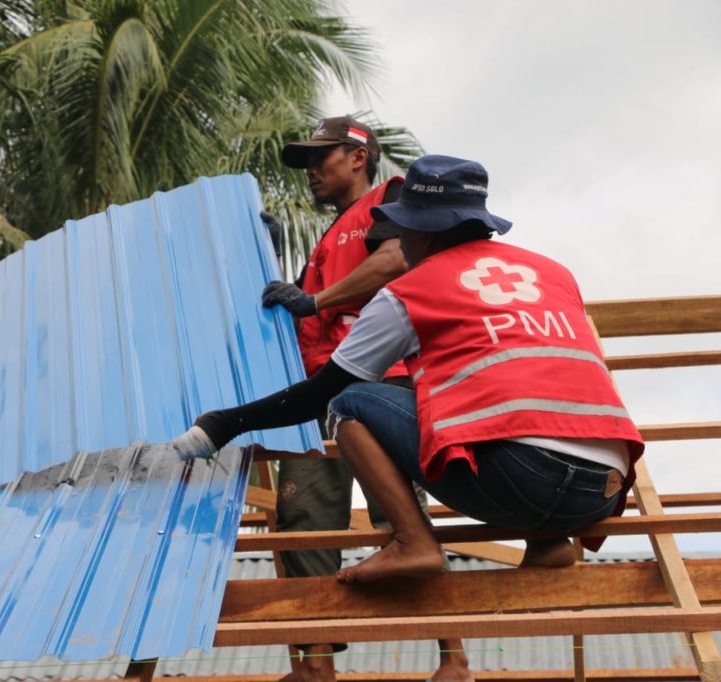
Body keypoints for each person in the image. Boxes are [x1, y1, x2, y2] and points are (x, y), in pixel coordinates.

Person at [175, 155, 645, 682]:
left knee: (349, 401)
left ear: (420, 232)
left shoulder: (410, 290)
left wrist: (224, 423)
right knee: (517, 410)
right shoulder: (553, 273)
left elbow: (320, 394)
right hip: (603, 489)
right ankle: (549, 544)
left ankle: (413, 542)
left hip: (522, 477)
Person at [257, 117, 451, 682]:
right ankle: (315, 664)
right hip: (320, 391)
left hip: (374, 381)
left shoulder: (386, 204)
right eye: (308, 163)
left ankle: (454, 658)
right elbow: (298, 313)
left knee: (402, 518)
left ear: (358, 156)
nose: (312, 172)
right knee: (303, 517)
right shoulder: (326, 237)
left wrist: (314, 301)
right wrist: (261, 256)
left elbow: (394, 261)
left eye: (323, 158)